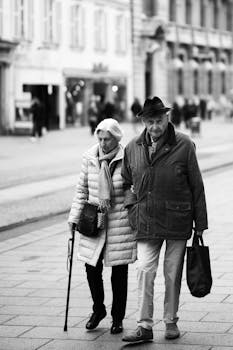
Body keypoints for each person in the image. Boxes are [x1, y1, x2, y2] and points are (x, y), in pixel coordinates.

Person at [121, 96, 208, 343]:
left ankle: (170, 321)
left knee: (172, 273)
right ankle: (144, 326)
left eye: (158, 121)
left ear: (167, 118)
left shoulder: (184, 144)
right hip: (146, 219)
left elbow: (196, 186)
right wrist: (131, 206)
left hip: (178, 219)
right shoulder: (132, 147)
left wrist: (200, 225)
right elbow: (126, 182)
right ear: (143, 122)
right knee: (144, 270)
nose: (154, 127)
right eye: (149, 122)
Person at [68, 118, 137, 335]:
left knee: (119, 273)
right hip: (93, 221)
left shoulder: (128, 158)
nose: (103, 143)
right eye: (100, 138)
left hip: (119, 223)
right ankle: (98, 309)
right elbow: (82, 190)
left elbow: (134, 189)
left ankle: (118, 318)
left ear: (116, 139)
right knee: (91, 268)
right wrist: (73, 218)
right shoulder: (90, 158)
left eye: (107, 139)